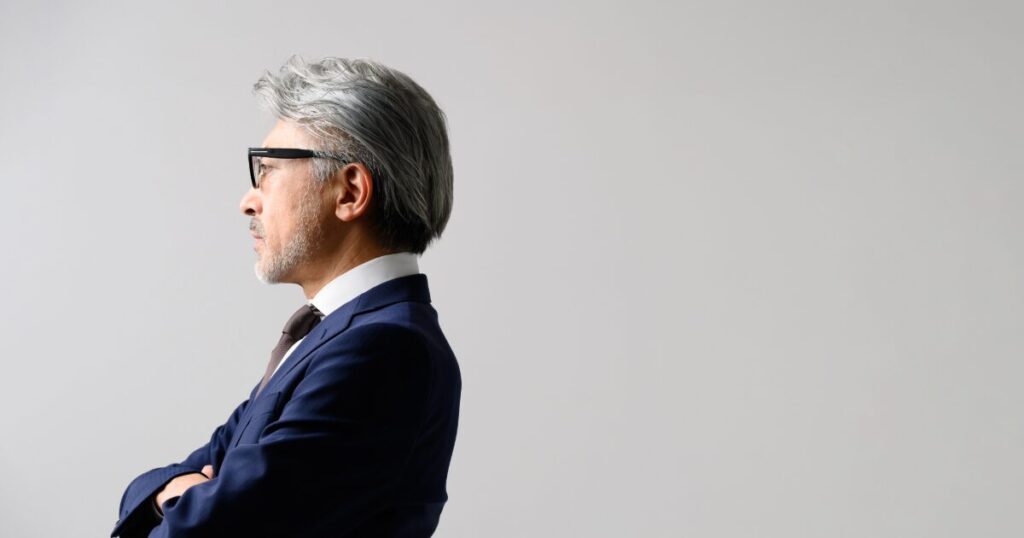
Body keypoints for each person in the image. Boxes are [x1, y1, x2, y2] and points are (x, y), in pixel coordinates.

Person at [110, 56, 462, 537]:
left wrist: (169, 498)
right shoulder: (329, 336)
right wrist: (167, 493)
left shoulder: (383, 348)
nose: (248, 201)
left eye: (269, 170)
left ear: (349, 192)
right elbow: (199, 474)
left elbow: (213, 529)